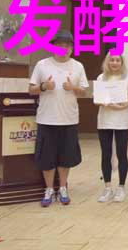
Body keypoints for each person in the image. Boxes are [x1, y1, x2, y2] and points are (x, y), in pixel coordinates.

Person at [28, 30, 88, 207]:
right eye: (60, 45)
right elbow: (31, 90)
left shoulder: (78, 66)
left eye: (68, 45)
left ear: (72, 48)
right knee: (46, 158)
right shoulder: (42, 65)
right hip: (47, 119)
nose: (64, 48)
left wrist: (73, 87)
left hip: (69, 119)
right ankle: (48, 190)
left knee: (65, 157)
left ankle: (62, 187)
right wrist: (44, 86)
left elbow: (84, 91)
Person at [94, 53, 128, 203]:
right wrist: (105, 103)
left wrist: (123, 106)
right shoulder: (101, 78)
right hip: (104, 121)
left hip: (122, 120)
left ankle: (121, 187)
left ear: (122, 62)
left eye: (117, 60)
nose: (114, 63)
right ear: (107, 62)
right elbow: (97, 100)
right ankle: (107, 188)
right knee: (105, 154)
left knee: (121, 153)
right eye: (111, 60)